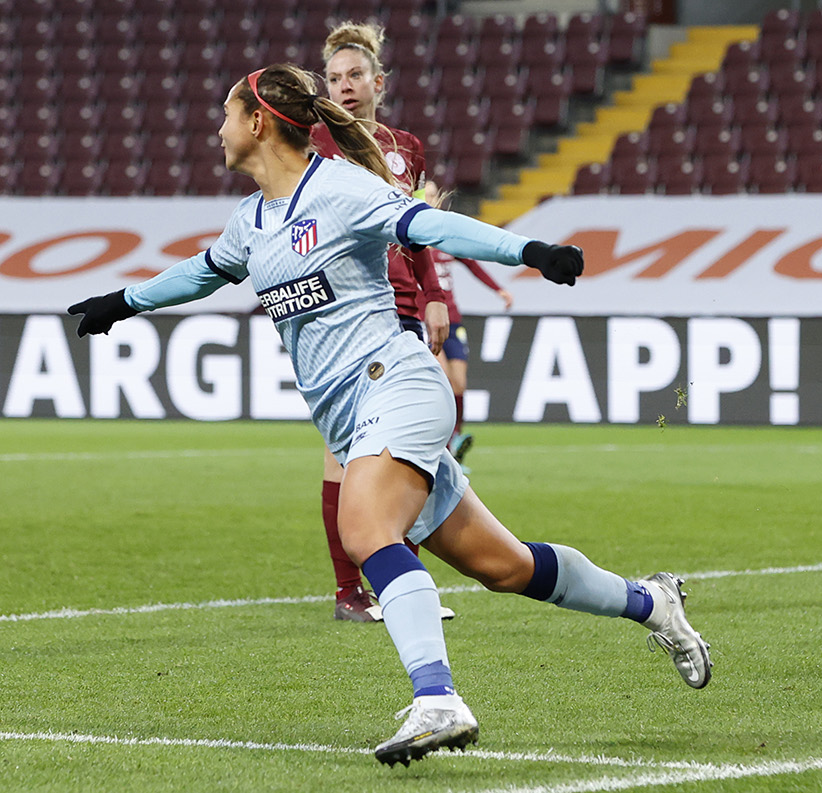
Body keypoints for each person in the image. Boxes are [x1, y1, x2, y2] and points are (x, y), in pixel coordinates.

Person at [68, 63, 713, 767]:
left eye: (225, 115)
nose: (215, 130)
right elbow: (202, 270)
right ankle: (651, 602)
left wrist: (531, 253)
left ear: (257, 122)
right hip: (355, 418)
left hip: (396, 383)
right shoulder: (251, 221)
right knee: (506, 566)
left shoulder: (341, 189)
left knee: (365, 528)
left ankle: (437, 697)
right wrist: (122, 303)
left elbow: (429, 224)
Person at [315, 22, 452, 622]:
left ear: (378, 82)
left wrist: (434, 293)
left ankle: (401, 583)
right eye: (334, 79)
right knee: (343, 452)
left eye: (354, 76)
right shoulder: (313, 143)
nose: (344, 87)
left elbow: (415, 227)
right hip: (343, 308)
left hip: (400, 307)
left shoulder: (406, 147)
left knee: (415, 447)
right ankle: (351, 594)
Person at [419, 180, 515, 473]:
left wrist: (498, 290)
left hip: (454, 318)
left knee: (459, 383)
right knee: (442, 380)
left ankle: (456, 439)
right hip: (427, 319)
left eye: (435, 195)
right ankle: (439, 448)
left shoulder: (444, 235)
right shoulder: (411, 236)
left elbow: (472, 264)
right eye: (427, 194)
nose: (433, 199)